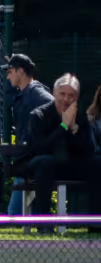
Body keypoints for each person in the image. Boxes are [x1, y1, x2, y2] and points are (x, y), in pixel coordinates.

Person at [22, 74, 99, 216]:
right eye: (62, 94)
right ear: (53, 93)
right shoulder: (38, 115)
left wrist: (74, 129)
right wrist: (63, 127)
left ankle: (95, 221)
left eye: (71, 95)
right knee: (46, 162)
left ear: (77, 97)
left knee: (97, 163)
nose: (66, 99)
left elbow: (89, 150)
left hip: (70, 166)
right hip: (43, 166)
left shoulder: (82, 118)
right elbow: (40, 149)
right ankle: (43, 222)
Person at [3, 53, 54, 215]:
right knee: (15, 212)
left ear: (21, 72)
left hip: (35, 161)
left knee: (14, 214)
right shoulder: (24, 93)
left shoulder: (36, 93)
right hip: (29, 161)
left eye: (10, 72)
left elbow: (57, 110)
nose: (7, 77)